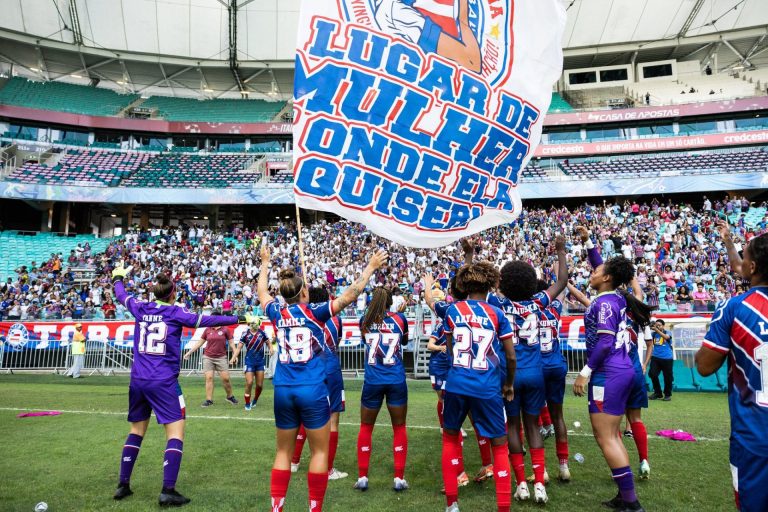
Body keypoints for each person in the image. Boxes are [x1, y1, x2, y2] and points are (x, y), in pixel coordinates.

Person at [257, 243, 387, 512]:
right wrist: (370, 267)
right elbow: (351, 295)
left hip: (283, 388)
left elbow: (261, 292)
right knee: (319, 452)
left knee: (282, 452)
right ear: (304, 291)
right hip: (312, 389)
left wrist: (265, 262)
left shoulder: (276, 313)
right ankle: (314, 508)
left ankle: (276, 508)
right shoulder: (315, 313)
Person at [110, 264, 247, 506]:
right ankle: (168, 490)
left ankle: (123, 485)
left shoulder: (140, 307)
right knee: (175, 433)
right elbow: (208, 319)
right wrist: (240, 318)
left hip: (138, 380)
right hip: (163, 381)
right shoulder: (175, 313)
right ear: (173, 294)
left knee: (136, 431)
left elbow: (121, 295)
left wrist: (118, 277)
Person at [572, 227, 651, 512]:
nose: (591, 273)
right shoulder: (617, 296)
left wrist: (585, 371)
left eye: (597, 271)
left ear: (606, 278)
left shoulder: (605, 302)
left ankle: (631, 503)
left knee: (606, 436)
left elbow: (605, 342)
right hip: (622, 370)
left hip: (608, 372)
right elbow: (600, 266)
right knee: (613, 435)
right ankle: (625, 496)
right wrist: (589, 241)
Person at [489, 236, 568, 501]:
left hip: (509, 375)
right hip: (536, 373)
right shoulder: (537, 304)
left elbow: (475, 289)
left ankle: (521, 483)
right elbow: (561, 282)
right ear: (530, 283)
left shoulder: (499, 304)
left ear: (504, 283)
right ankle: (540, 486)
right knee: (533, 426)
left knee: (512, 426)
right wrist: (560, 252)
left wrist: (470, 258)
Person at [696, 233, 768, 512]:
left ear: (751, 268)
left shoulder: (734, 307)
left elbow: (704, 366)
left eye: (745, 257)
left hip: (754, 438)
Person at [441, 261, 516, 512]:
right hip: (486, 387)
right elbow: (511, 357)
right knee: (499, 445)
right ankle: (503, 507)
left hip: (457, 383)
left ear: (464, 284)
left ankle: (452, 504)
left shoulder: (452, 311)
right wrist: (508, 384)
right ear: (491, 284)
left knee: (450, 439)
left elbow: (451, 350)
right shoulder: (497, 314)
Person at [569, 275, 654, 480]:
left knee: (610, 429)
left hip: (614, 372)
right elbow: (639, 294)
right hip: (634, 370)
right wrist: (630, 276)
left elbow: (583, 298)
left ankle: (622, 471)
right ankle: (644, 460)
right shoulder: (639, 317)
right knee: (635, 419)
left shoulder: (609, 310)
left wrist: (566, 283)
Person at [354, 287, 410, 492]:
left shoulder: (364, 321)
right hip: (395, 378)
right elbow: (403, 340)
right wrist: (399, 314)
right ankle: (398, 478)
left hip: (373, 379)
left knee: (366, 427)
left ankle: (362, 477)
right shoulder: (400, 319)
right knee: (399, 427)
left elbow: (365, 341)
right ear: (389, 302)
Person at [291, 286, 349, 481]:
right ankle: (328, 469)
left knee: (304, 415)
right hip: (330, 369)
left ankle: (294, 461)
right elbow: (337, 342)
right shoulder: (335, 319)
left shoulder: (302, 318)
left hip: (309, 369)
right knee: (333, 419)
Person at [183, 323, 238, 407]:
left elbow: (231, 344)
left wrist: (235, 355)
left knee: (226, 379)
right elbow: (199, 343)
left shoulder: (225, 329)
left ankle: (230, 396)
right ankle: (209, 400)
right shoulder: (207, 329)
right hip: (208, 357)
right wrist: (189, 353)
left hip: (221, 358)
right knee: (209, 378)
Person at [229, 318, 273, 411]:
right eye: (253, 323)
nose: (255, 325)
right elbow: (239, 348)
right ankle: (247, 403)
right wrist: (233, 358)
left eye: (256, 323)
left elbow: (269, 343)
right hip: (249, 361)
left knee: (260, 385)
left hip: (260, 362)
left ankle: (255, 400)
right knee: (249, 382)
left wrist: (271, 349)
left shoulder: (262, 333)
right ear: (249, 324)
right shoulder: (245, 334)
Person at [648, 319, 673, 401]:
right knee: (652, 374)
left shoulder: (667, 332)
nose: (658, 326)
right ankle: (658, 392)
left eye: (659, 325)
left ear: (663, 326)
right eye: (656, 325)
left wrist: (657, 330)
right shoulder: (653, 334)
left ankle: (667, 394)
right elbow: (648, 340)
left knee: (667, 377)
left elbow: (666, 337)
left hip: (667, 358)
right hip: (656, 357)